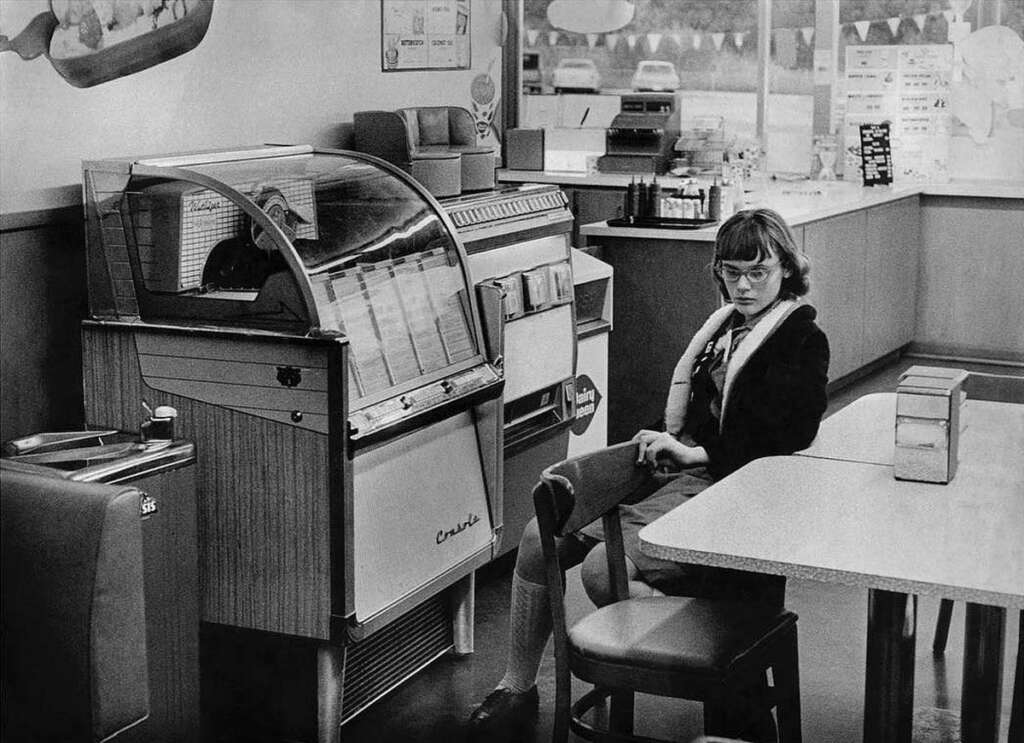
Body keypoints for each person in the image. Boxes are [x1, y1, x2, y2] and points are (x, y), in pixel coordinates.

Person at [466, 207, 830, 738]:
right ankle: (516, 687)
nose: (744, 286)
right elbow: (701, 411)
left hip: (729, 485)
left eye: (759, 272)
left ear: (787, 269)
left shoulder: (801, 338)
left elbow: (790, 433)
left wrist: (695, 454)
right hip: (681, 472)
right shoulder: (726, 328)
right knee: (534, 541)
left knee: (599, 571)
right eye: (732, 272)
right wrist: (659, 437)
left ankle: (720, 665)